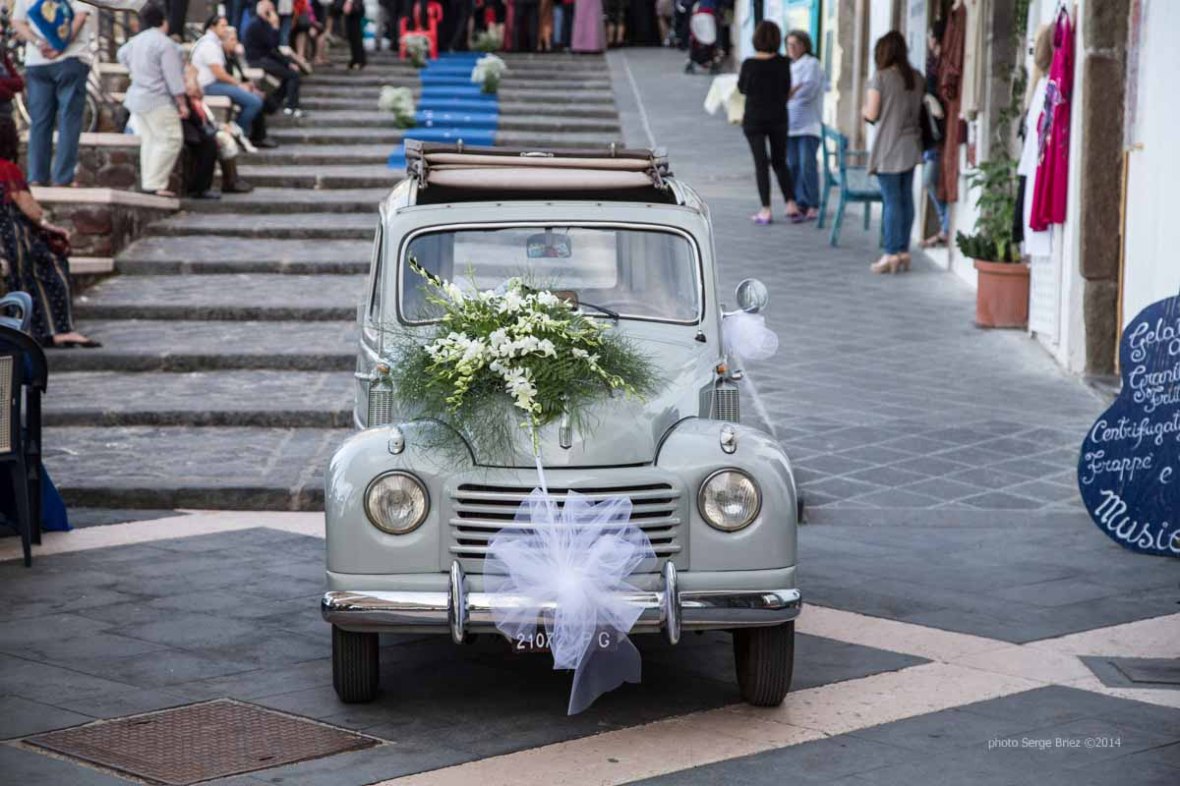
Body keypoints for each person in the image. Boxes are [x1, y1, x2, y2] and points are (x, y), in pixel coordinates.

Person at [0, 121, 98, 348]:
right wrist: (51, 227)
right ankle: (59, 329)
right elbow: (30, 209)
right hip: (12, 239)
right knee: (52, 264)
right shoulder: (7, 169)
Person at [11, 0, 94, 187]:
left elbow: (17, 21)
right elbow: (80, 17)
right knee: (68, 120)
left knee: (39, 122)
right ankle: (62, 177)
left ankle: (36, 177)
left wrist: (39, 42)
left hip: (37, 61)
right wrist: (60, 45)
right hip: (70, 59)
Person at [863, 30, 923, 274]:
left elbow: (872, 114)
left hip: (889, 146)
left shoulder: (881, 77)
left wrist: (863, 110)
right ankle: (903, 251)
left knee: (891, 201)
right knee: (906, 197)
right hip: (911, 144)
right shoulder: (917, 77)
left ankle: (890, 253)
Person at [118, 3, 189, 198]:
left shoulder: (135, 41)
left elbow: (121, 55)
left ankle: (150, 182)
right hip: (158, 98)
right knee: (170, 139)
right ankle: (155, 182)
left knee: (150, 140)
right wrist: (181, 102)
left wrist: (136, 70)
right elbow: (173, 77)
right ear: (164, 22)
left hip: (137, 96)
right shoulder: (164, 44)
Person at [737, 20, 794, 225]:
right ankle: (790, 203)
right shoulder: (784, 63)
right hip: (778, 118)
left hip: (754, 120)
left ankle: (766, 209)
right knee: (780, 161)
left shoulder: (749, 64)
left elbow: (742, 89)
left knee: (761, 164)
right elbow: (786, 89)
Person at [192, 15, 269, 146]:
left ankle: (247, 132)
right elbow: (219, 73)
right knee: (254, 102)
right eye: (222, 26)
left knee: (255, 97)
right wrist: (239, 85)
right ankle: (237, 131)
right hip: (208, 86)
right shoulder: (209, 45)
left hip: (214, 83)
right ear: (213, 27)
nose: (225, 29)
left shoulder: (213, 43)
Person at [245, 0, 306, 115]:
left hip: (265, 58)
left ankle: (276, 102)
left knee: (290, 73)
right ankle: (292, 106)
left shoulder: (262, 24)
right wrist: (275, 27)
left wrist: (288, 63)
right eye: (271, 10)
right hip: (258, 60)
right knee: (293, 75)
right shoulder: (257, 24)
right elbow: (272, 46)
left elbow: (273, 49)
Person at [785, 29, 821, 222]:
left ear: (804, 45)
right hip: (790, 125)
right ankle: (800, 201)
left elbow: (808, 90)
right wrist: (791, 90)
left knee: (807, 164)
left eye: (795, 44)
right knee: (793, 165)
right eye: (788, 44)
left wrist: (790, 92)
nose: (791, 48)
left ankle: (813, 203)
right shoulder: (790, 65)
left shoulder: (811, 64)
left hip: (808, 125)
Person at [919, 19, 949, 248]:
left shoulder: (941, 65)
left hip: (940, 134)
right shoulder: (932, 64)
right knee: (930, 181)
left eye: (930, 36)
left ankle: (945, 227)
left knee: (930, 179)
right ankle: (944, 226)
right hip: (932, 134)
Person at [338, 0, 367, 69]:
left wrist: (350, 3)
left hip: (355, 13)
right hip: (352, 14)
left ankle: (359, 60)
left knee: (356, 38)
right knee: (352, 38)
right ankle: (356, 59)